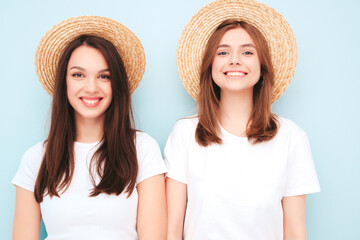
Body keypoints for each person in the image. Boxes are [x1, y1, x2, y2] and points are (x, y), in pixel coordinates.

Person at [165, 0, 321, 239]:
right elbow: (172, 228)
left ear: (262, 67)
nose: (234, 60)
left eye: (247, 52)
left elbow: (295, 229)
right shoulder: (185, 133)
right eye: (223, 52)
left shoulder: (291, 137)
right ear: (210, 65)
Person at [12, 16, 167, 240]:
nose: (91, 87)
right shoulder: (36, 159)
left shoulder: (142, 149)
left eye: (104, 76)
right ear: (63, 82)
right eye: (78, 75)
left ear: (116, 86)